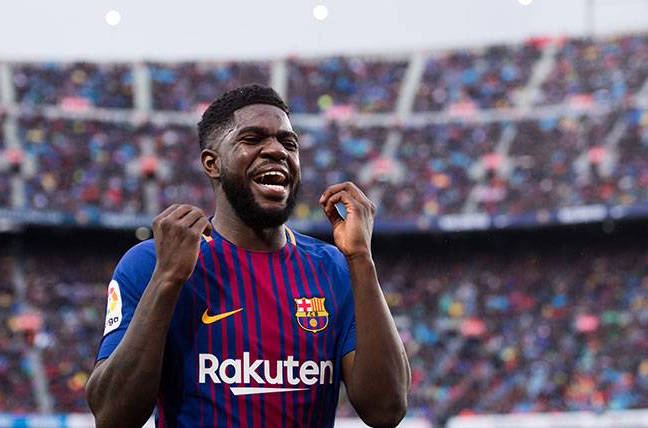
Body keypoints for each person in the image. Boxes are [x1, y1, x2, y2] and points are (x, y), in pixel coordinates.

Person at [85, 84, 409, 428]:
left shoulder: (335, 269)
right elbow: (111, 416)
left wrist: (361, 258)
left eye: (289, 143)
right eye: (252, 139)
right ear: (213, 164)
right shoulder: (151, 263)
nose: (276, 151)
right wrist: (167, 280)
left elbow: (386, 410)